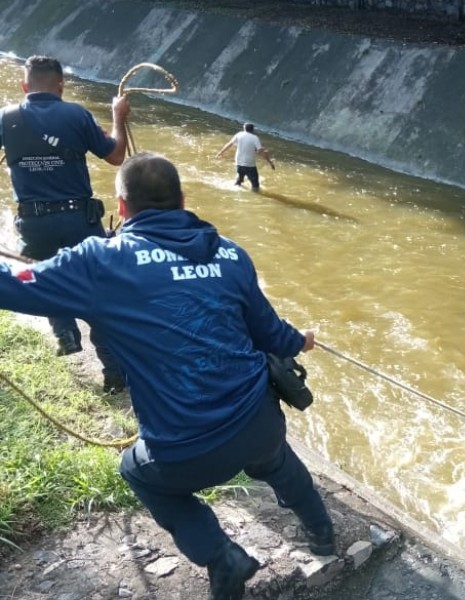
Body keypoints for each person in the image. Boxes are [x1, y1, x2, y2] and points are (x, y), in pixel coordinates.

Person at [0, 152, 335, 600]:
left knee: (136, 471)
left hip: (184, 451)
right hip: (259, 422)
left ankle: (221, 556)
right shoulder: (231, 253)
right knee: (272, 456)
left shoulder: (102, 261)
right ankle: (323, 533)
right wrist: (303, 339)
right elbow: (274, 335)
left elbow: (14, 282)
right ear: (182, 200)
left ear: (120, 208)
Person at [0, 55, 129, 392]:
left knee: (45, 277)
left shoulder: (6, 117)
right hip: (79, 220)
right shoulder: (76, 114)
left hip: (33, 223)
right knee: (97, 293)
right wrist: (118, 115)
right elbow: (116, 156)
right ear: (61, 86)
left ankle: (65, 333)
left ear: (24, 86)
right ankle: (115, 375)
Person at [215, 122, 275, 191]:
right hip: (250, 164)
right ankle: (255, 197)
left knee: (239, 179)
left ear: (244, 129)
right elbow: (260, 151)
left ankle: (236, 191)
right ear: (253, 130)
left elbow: (229, 144)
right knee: (255, 185)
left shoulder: (239, 135)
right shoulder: (255, 138)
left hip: (239, 162)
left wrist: (220, 153)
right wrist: (270, 162)